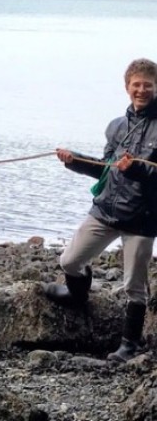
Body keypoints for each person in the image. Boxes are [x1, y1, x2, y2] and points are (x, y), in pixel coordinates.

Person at [45, 58, 157, 362]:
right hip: (105, 210)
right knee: (69, 260)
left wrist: (135, 170)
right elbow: (104, 171)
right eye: (137, 84)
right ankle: (77, 294)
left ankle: (129, 346)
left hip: (142, 219)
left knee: (134, 286)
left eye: (148, 84)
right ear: (127, 87)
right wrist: (74, 160)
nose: (142, 90)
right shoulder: (116, 127)